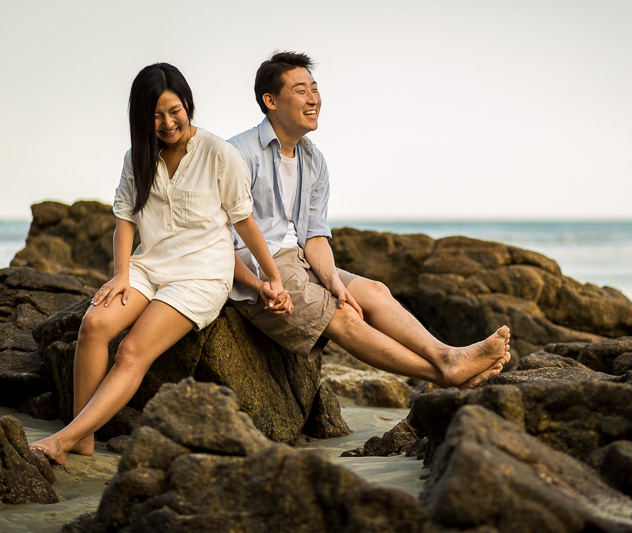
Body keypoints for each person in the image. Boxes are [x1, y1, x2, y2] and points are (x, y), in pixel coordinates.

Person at [30, 63, 287, 465]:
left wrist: (270, 278)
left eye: (174, 111)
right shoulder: (137, 157)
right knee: (94, 325)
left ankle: (63, 440)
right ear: (141, 117)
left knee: (132, 351)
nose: (167, 123)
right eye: (155, 115)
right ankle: (82, 437)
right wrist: (121, 274)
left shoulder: (221, 154)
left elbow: (244, 221)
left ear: (188, 105)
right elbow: (125, 221)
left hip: (201, 275)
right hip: (148, 268)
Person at [228, 52, 510, 389]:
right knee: (345, 316)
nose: (313, 99)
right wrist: (259, 284)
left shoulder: (313, 160)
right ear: (270, 100)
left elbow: (315, 236)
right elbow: (217, 238)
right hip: (259, 265)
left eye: (315, 89)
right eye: (300, 90)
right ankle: (446, 370)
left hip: (300, 260)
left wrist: (331, 278)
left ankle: (447, 357)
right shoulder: (238, 154)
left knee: (375, 292)